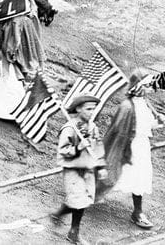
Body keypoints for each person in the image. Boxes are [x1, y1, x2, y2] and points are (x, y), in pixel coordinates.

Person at [100, 70, 159, 230]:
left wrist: (157, 121)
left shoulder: (144, 103)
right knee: (112, 173)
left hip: (141, 146)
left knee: (139, 178)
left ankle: (137, 212)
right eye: (147, 85)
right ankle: (83, 194)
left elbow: (146, 125)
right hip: (127, 147)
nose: (150, 88)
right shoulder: (126, 106)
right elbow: (117, 129)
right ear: (138, 86)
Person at [51, 93, 105, 244]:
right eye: (88, 109)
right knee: (79, 199)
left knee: (84, 199)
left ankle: (59, 213)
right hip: (73, 169)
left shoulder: (92, 127)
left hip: (87, 168)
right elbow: (63, 150)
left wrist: (101, 166)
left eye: (93, 109)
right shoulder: (69, 127)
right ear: (79, 109)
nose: (91, 112)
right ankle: (74, 232)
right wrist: (78, 147)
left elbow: (98, 148)